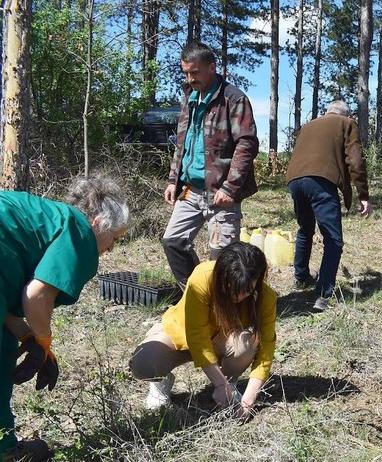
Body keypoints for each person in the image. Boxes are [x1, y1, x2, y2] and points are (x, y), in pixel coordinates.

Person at [0, 177, 130, 461]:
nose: (111, 247)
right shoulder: (80, 232)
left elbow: (6, 302)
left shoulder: (47, 218)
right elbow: (36, 296)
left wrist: (27, 336)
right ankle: (6, 453)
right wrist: (44, 341)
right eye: (115, 238)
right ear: (98, 222)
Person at [129, 242, 277, 417]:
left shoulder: (265, 298)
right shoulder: (203, 277)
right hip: (183, 335)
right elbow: (196, 335)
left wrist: (249, 400)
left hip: (221, 341)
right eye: (230, 288)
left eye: (245, 291)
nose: (236, 297)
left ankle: (230, 384)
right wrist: (219, 385)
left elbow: (266, 347)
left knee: (247, 343)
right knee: (143, 363)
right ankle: (163, 384)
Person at [162, 41, 259, 290]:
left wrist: (231, 188)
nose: (189, 78)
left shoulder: (233, 99)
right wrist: (174, 180)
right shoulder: (189, 97)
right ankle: (197, 293)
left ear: (212, 67)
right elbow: (182, 143)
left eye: (194, 72)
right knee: (173, 241)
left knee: (224, 258)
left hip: (220, 193)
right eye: (185, 72)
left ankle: (228, 308)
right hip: (189, 191)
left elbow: (246, 145)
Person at [284, 100, 371, 311]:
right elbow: (355, 160)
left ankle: (301, 277)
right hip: (320, 182)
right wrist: (363, 194)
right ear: (345, 114)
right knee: (333, 240)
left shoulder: (309, 125)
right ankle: (322, 295)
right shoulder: (346, 123)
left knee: (305, 229)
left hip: (294, 181)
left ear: (327, 112)